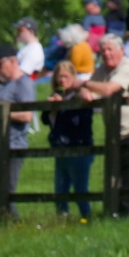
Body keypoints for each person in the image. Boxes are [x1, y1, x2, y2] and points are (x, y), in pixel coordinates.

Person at [80, 33, 129, 217]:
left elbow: (109, 89)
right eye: (103, 51)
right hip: (113, 133)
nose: (106, 54)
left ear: (121, 50)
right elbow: (89, 89)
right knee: (112, 179)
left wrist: (85, 84)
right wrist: (84, 91)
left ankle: (128, 218)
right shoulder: (102, 70)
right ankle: (113, 215)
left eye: (110, 49)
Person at [41, 60, 93, 217]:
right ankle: (62, 219)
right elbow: (45, 119)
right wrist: (53, 106)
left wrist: (65, 104)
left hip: (78, 148)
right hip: (60, 149)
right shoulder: (56, 96)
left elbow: (79, 118)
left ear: (73, 77)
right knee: (60, 190)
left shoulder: (79, 96)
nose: (62, 80)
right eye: (59, 77)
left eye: (66, 76)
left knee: (80, 189)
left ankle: (86, 217)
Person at [0, 47, 35, 217]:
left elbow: (26, 115)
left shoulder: (24, 83)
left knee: (7, 191)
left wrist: (0, 113)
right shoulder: (7, 85)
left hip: (13, 144)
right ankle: (3, 224)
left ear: (13, 62)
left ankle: (13, 224)